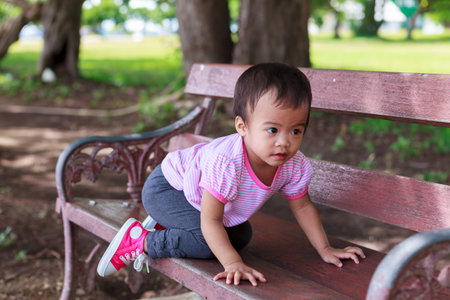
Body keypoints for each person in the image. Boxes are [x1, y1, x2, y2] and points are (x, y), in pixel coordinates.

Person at [97, 62, 365, 286]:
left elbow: (303, 206)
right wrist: (234, 263)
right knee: (206, 243)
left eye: (296, 130)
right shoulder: (227, 162)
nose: (284, 142)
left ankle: (168, 226)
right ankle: (141, 240)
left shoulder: (294, 165)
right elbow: (211, 221)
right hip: (169, 189)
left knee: (240, 236)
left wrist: (325, 248)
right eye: (272, 130)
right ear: (242, 126)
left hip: (200, 200)